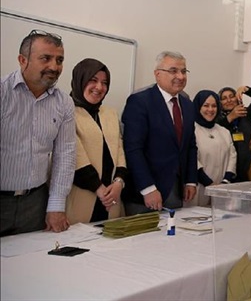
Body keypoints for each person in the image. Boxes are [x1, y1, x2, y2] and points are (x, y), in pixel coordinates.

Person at [1, 29, 75, 236]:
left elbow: (65, 154)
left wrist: (56, 206)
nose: (54, 66)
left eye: (59, 60)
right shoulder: (3, 93)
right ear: (22, 60)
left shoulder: (64, 102)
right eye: (46, 58)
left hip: (35, 202)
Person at [121, 51, 197, 215]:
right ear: (157, 74)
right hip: (145, 193)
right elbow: (133, 149)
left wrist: (191, 180)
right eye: (173, 71)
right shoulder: (140, 101)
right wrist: (147, 188)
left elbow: (191, 145)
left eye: (183, 71)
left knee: (172, 237)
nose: (180, 76)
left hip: (176, 190)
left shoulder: (188, 105)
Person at [66, 58, 127, 224]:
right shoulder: (67, 111)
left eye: (104, 82)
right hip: (82, 198)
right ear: (80, 80)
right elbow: (75, 156)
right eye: (93, 80)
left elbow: (119, 150)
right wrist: (100, 190)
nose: (99, 87)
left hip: (112, 199)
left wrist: (119, 183)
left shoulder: (110, 113)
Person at [189, 90, 237, 206]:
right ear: (198, 107)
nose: (210, 110)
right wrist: (208, 183)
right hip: (198, 187)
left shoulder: (223, 131)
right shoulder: (191, 129)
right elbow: (190, 158)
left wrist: (225, 181)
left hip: (221, 190)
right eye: (206, 105)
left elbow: (232, 155)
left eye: (214, 106)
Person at [217, 85, 251, 182]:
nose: (229, 100)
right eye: (224, 98)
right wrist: (230, 117)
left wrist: (247, 90)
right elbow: (217, 128)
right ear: (220, 103)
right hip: (227, 168)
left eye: (232, 96)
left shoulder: (246, 113)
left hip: (248, 166)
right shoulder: (217, 118)